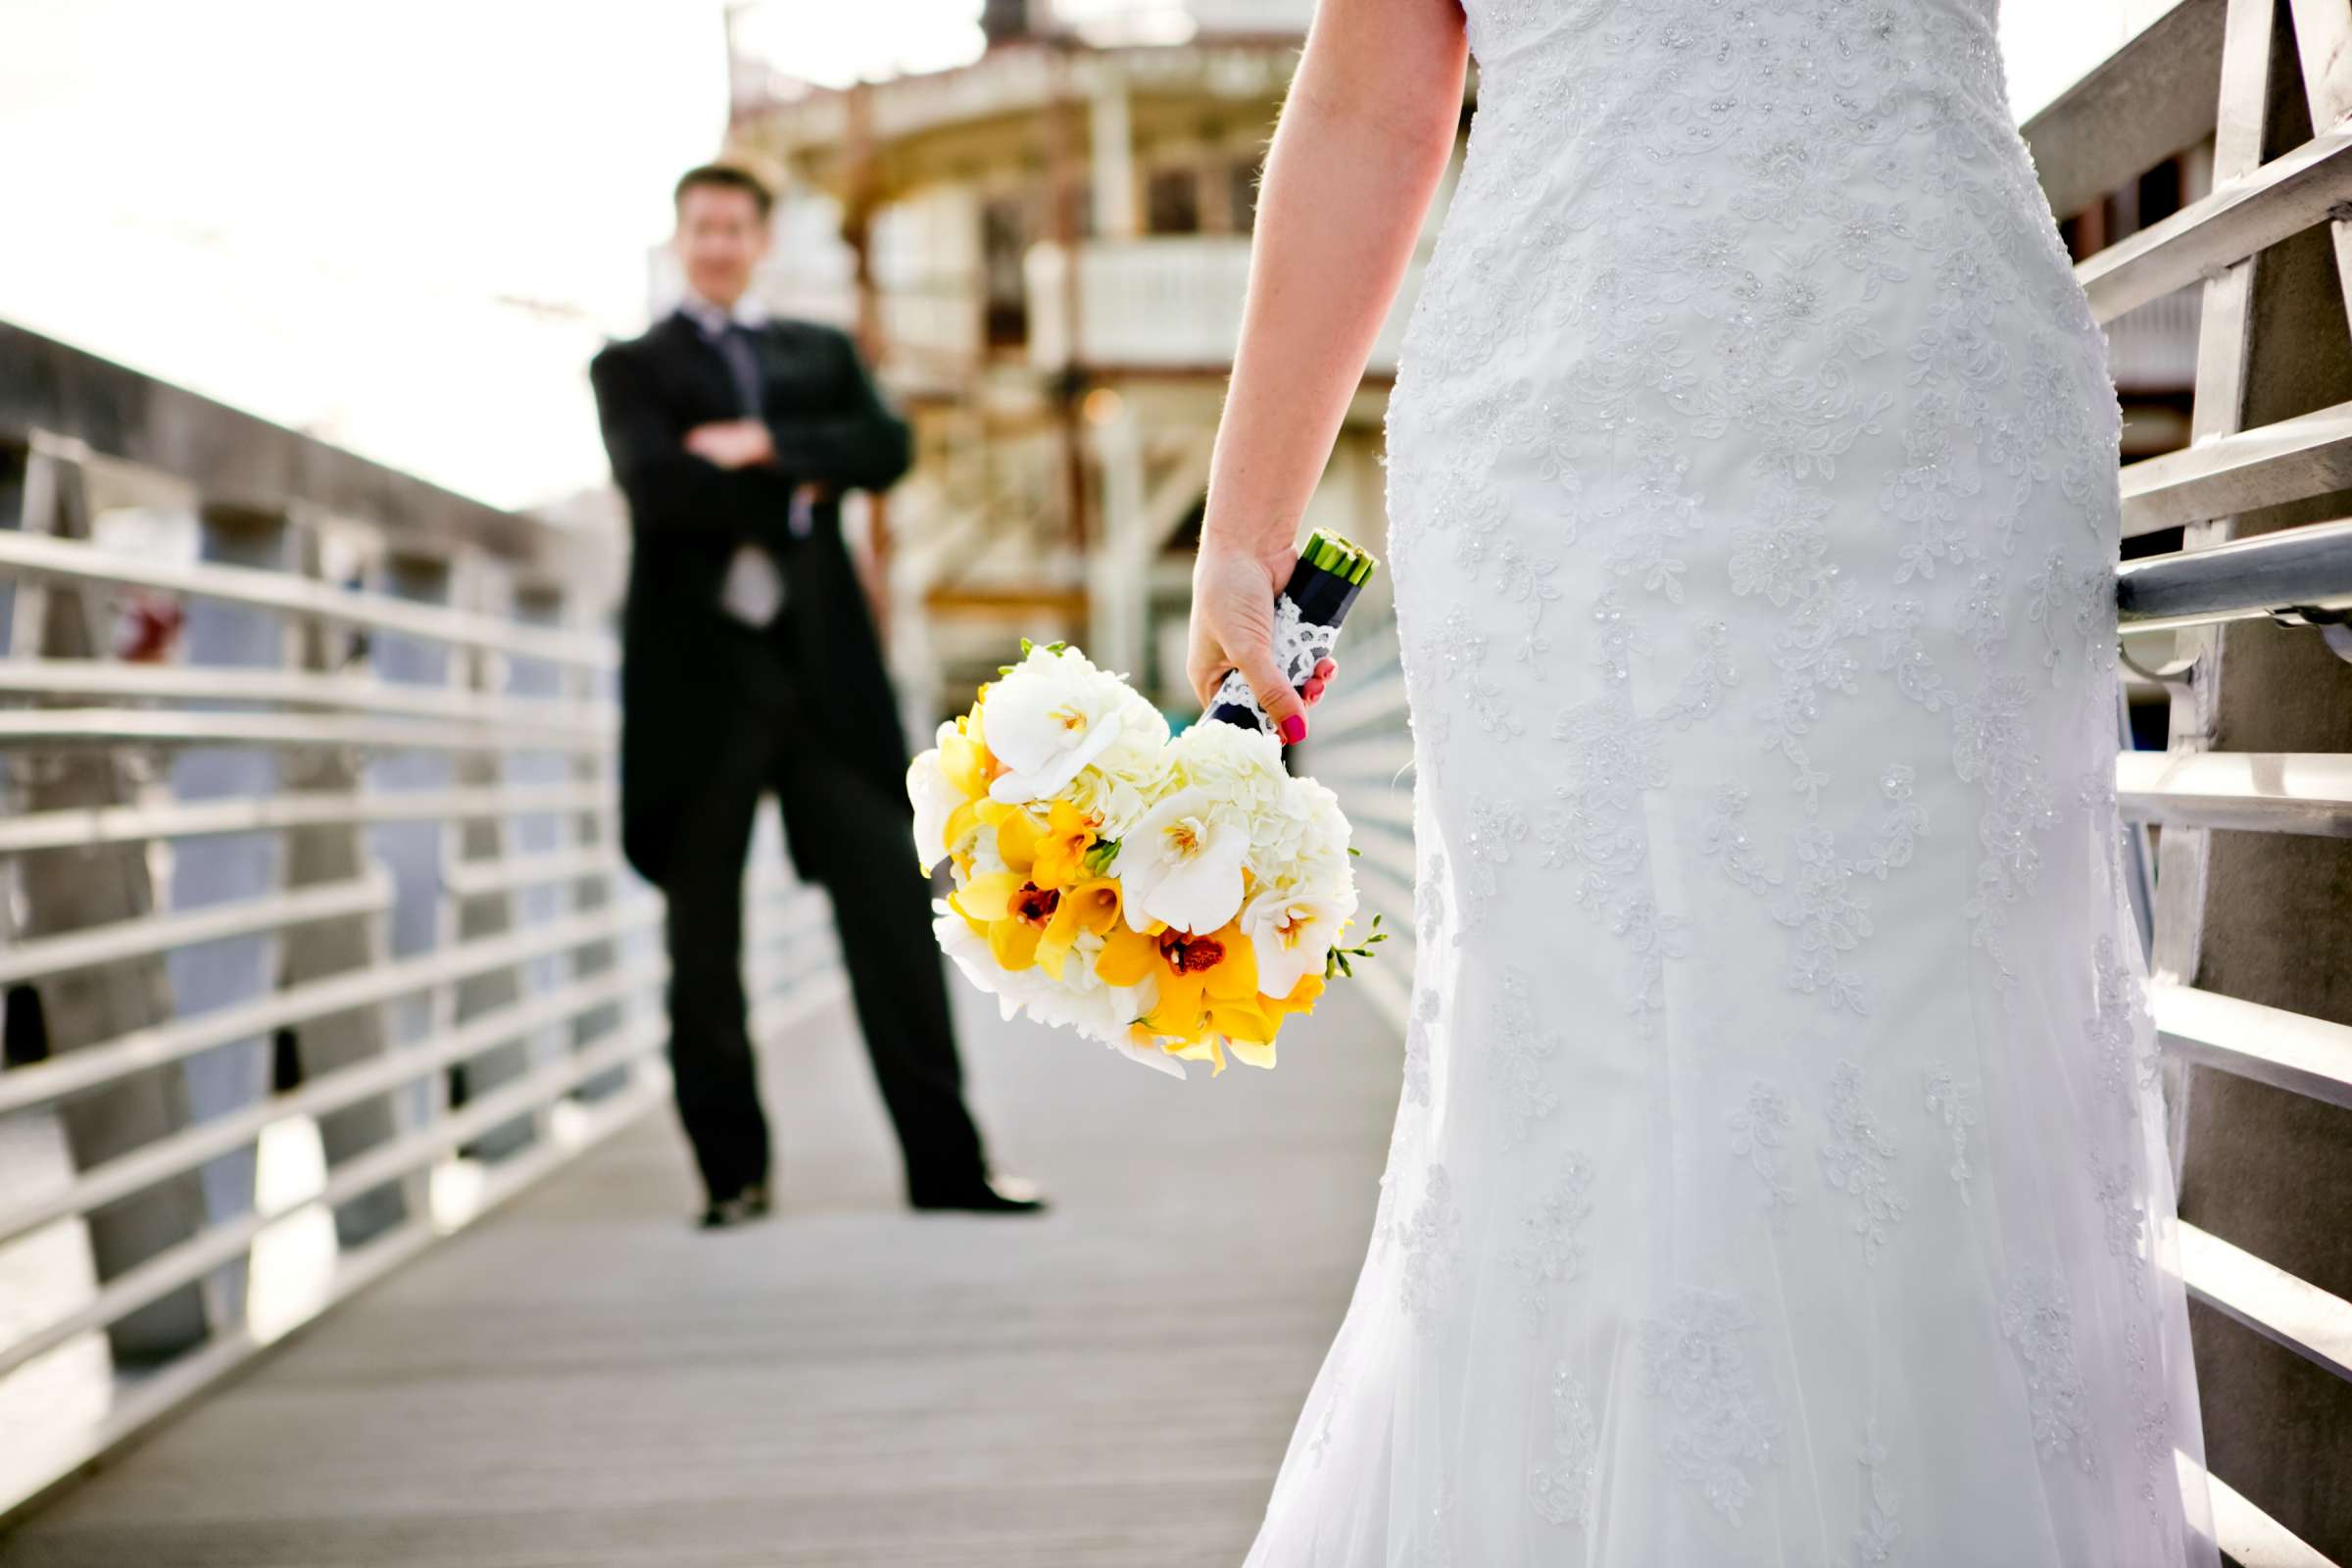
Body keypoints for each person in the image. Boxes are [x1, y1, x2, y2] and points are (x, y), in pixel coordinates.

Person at [1184, 2, 2217, 1563]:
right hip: (1575, 443)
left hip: (1933, 414)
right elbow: (1368, 97)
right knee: (1612, 1053)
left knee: (1944, 1043)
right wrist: (1244, 535)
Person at [590, 163, 1043, 1230]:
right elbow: (657, 488)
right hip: (700, 690)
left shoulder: (818, 352)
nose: (717, 244)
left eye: (734, 227)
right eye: (701, 227)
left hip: (823, 679)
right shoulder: (630, 367)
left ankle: (948, 1165)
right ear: (679, 237)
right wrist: (802, 476)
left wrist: (764, 447)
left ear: (759, 239)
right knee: (703, 947)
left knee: (892, 914)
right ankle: (732, 1178)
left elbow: (887, 449)